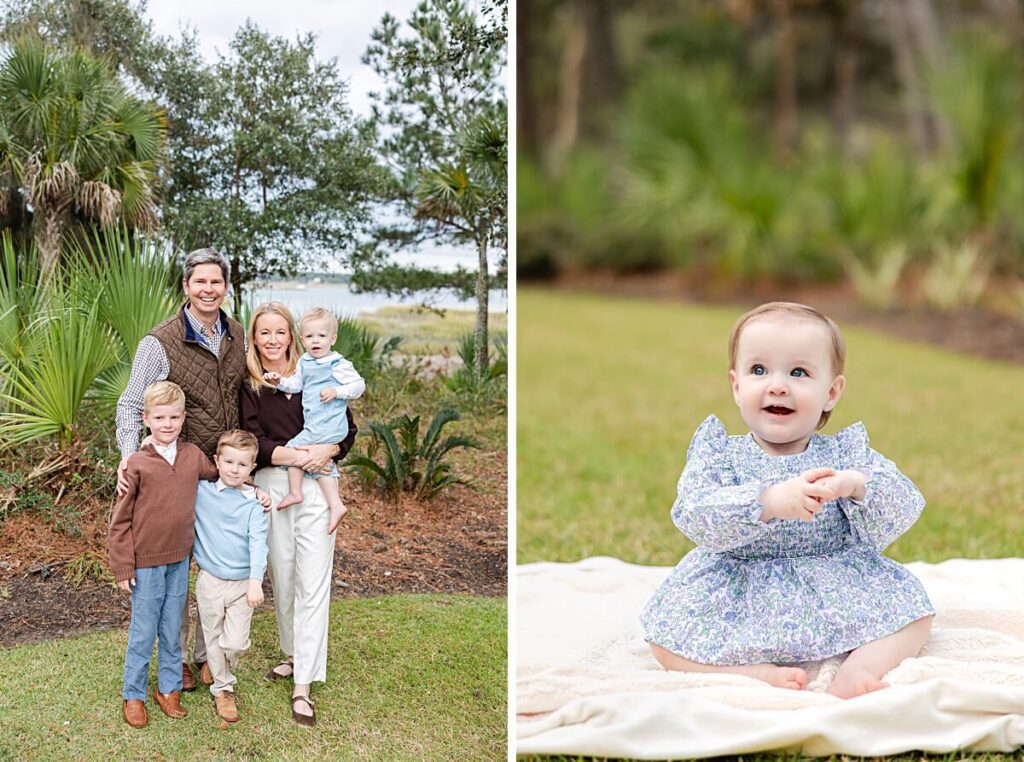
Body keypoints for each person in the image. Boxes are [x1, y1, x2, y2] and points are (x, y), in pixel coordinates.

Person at [640, 301, 935, 700]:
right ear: (736, 386)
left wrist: (855, 484)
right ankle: (752, 672)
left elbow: (903, 504)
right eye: (759, 370)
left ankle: (857, 670)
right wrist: (767, 501)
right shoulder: (720, 454)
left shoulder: (845, 454)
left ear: (831, 392)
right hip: (740, 582)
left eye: (798, 372)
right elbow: (694, 512)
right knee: (664, 641)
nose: (777, 385)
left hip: (829, 576)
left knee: (914, 614)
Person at [115, 247, 247, 693]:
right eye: (200, 281)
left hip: (222, 476)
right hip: (176, 476)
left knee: (216, 569)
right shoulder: (160, 342)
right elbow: (131, 404)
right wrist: (128, 455)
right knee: (175, 569)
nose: (209, 289)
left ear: (226, 287)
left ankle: (207, 655)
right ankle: (177, 660)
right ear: (186, 286)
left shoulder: (237, 334)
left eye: (216, 281)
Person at [239, 302, 357, 726]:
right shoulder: (252, 386)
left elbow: (347, 430)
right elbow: (252, 440)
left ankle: (303, 683)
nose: (273, 340)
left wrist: (328, 450)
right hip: (274, 488)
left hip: (318, 485)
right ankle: (293, 654)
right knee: (284, 576)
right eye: (264, 332)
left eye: (280, 332)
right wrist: (297, 455)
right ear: (254, 338)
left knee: (313, 581)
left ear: (293, 335)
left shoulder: (320, 369)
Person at [108, 381, 219, 728]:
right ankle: (134, 694)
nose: (167, 424)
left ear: (183, 418)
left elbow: (219, 478)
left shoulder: (192, 456)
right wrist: (123, 565)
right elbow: (120, 521)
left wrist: (252, 489)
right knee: (144, 631)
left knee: (173, 628)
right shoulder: (137, 464)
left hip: (180, 560)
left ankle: (169, 689)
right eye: (159, 417)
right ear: (146, 419)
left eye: (174, 417)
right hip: (145, 563)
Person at [263, 307, 365, 532]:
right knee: (319, 463)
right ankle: (336, 504)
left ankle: (295, 492)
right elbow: (296, 385)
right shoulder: (305, 362)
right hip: (316, 425)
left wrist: (337, 392)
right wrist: (279, 381)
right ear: (302, 339)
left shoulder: (337, 364)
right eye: (309, 336)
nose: (315, 341)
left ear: (333, 339)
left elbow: (359, 385)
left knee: (293, 448)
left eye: (321, 336)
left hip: (329, 425)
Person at [192, 429, 269, 723]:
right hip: (210, 580)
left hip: (242, 584)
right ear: (217, 461)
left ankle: (220, 663)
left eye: (242, 464)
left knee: (234, 642)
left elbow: (258, 544)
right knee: (212, 635)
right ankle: (223, 689)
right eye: (229, 462)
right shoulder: (202, 492)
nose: (234, 470)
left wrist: (255, 582)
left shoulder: (254, 504)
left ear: (252, 468)